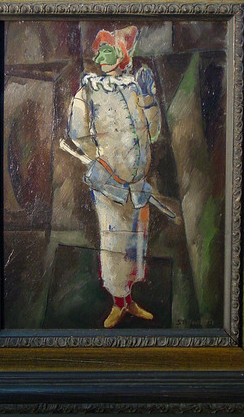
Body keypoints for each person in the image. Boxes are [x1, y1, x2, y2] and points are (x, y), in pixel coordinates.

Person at [66, 26, 162, 328]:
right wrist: (101, 160)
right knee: (114, 242)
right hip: (109, 185)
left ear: (123, 56)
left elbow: (154, 132)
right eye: (101, 52)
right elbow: (77, 132)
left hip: (137, 185)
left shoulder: (135, 88)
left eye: (110, 52)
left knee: (135, 242)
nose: (103, 58)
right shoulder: (89, 91)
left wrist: (148, 99)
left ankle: (129, 299)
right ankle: (118, 303)